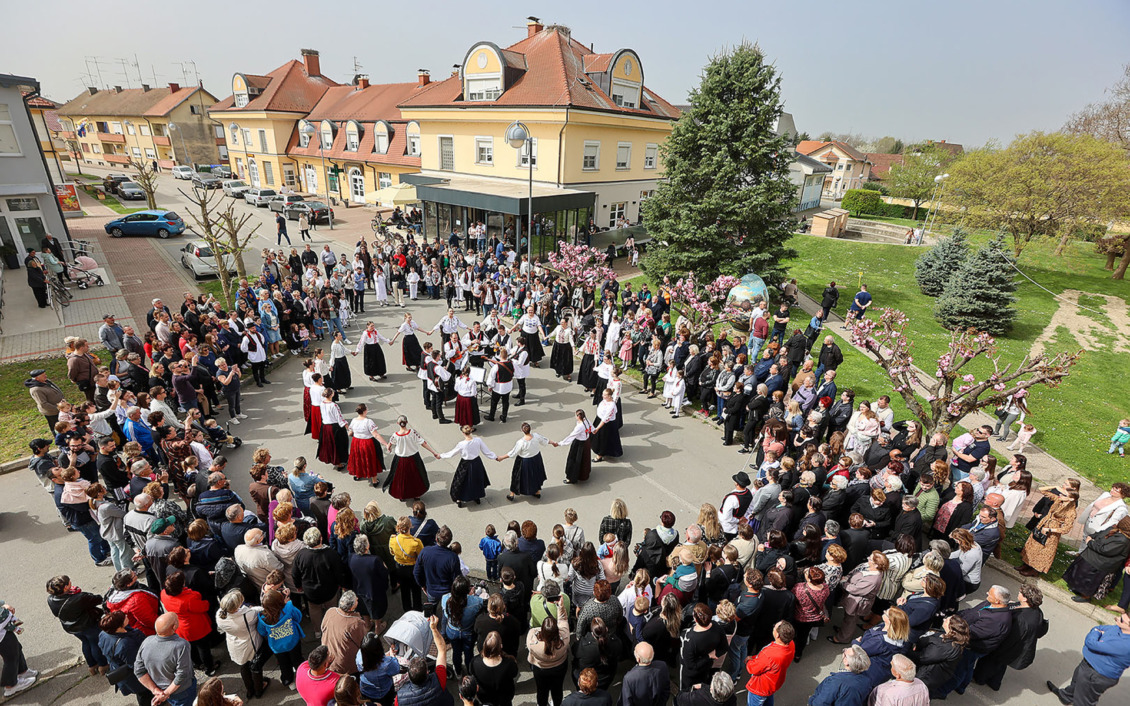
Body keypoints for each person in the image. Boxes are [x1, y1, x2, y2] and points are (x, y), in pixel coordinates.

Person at [973, 583, 1046, 690]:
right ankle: (995, 682)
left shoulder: (1021, 620)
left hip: (1006, 647)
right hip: (1015, 649)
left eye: (1021, 593)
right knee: (1001, 664)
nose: (1018, 593)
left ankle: (979, 678)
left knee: (989, 662)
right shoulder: (1036, 611)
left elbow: (1011, 638)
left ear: (1025, 599)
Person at [1047, 611, 1130, 706]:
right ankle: (1066, 696)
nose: (1117, 619)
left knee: (1084, 701)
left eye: (1122, 620)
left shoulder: (1126, 646)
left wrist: (1097, 635)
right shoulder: (1119, 628)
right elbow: (1097, 628)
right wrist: (1098, 634)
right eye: (1120, 616)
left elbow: (1091, 643)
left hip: (1097, 675)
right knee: (1076, 681)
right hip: (1088, 665)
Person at [45, 575, 108, 676]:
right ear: (66, 587)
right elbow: (97, 599)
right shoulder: (79, 598)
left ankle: (92, 665)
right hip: (88, 625)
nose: (71, 582)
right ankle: (103, 665)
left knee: (85, 643)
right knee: (95, 643)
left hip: (72, 627)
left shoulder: (51, 599)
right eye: (69, 582)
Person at [134, 613, 197, 706]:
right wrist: (165, 694)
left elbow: (138, 670)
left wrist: (156, 690)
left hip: (162, 689)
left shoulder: (147, 641)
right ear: (174, 626)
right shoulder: (181, 645)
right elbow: (182, 674)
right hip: (182, 691)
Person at [1064, 517, 1130, 602]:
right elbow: (1099, 534)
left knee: (1090, 579)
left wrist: (1090, 542)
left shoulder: (1124, 541)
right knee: (1081, 572)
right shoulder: (1114, 529)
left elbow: (1106, 550)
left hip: (1102, 563)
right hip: (1094, 556)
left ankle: (1086, 596)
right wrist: (1091, 536)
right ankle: (1077, 588)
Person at [527, 591, 571, 706]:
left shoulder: (533, 641)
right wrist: (560, 607)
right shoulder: (564, 639)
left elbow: (532, 629)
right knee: (557, 689)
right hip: (559, 667)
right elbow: (563, 620)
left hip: (540, 669)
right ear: (557, 631)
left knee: (541, 691)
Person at [382, 416, 441, 501]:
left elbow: (390, 444)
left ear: (398, 423)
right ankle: (416, 495)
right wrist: (434, 452)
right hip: (414, 458)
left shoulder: (395, 435)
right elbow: (423, 443)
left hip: (400, 459)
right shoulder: (412, 432)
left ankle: (402, 495)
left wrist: (388, 447)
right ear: (407, 422)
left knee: (401, 479)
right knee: (416, 477)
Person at [441, 426, 497, 507]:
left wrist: (441, 455)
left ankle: (459, 499)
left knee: (461, 482)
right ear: (471, 431)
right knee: (476, 480)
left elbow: (451, 453)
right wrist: (495, 457)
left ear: (463, 433)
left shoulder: (461, 444)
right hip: (477, 463)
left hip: (465, 464)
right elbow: (487, 452)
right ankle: (476, 497)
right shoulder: (478, 440)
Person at [745, 620, 795, 706]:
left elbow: (752, 669)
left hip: (760, 688)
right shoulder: (791, 644)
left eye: (774, 627)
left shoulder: (770, 654)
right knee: (768, 700)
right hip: (773, 683)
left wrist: (749, 660)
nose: (773, 628)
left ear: (778, 635)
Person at [497, 422, 550, 501]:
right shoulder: (536, 436)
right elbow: (544, 440)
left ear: (522, 430)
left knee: (517, 477)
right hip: (536, 459)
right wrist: (554, 443)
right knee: (536, 475)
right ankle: (537, 492)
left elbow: (513, 453)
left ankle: (512, 494)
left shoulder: (521, 442)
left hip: (524, 461)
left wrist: (502, 457)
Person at [346, 404, 387, 485]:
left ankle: (358, 475)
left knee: (358, 458)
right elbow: (375, 435)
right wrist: (385, 444)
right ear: (365, 411)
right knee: (370, 460)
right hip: (367, 443)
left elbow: (350, 432)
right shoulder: (368, 422)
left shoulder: (354, 420)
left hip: (356, 442)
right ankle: (374, 480)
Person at [621, 641, 670, 706]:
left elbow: (627, 702)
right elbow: (666, 689)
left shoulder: (629, 678)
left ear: (638, 659)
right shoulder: (662, 665)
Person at [556, 409, 594, 484]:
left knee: (573, 460)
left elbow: (571, 436)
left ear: (578, 416)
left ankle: (571, 478)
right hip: (586, 442)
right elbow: (592, 429)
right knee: (584, 459)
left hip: (579, 444)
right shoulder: (586, 420)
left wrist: (560, 443)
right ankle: (584, 474)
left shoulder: (579, 426)